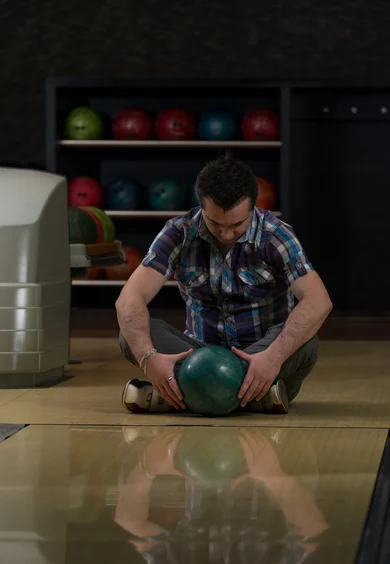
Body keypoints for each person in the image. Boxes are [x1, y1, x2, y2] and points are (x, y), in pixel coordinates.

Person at [116, 152, 332, 414]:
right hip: (197, 355)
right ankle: (250, 399)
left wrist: (273, 358)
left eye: (237, 224)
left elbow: (319, 301)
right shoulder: (178, 232)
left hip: (260, 358)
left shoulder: (275, 234)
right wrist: (148, 358)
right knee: (133, 334)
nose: (227, 234)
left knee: (307, 342)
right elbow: (129, 299)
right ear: (201, 207)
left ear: (253, 207)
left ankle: (182, 396)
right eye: (215, 224)